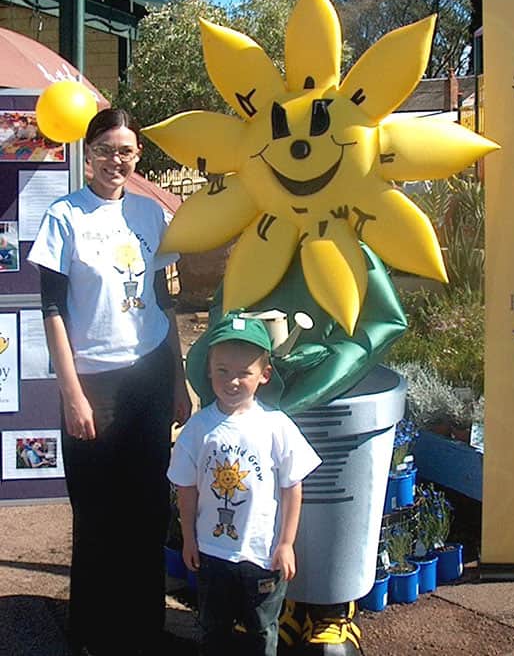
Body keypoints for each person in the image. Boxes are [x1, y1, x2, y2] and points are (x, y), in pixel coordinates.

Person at [27, 108, 191, 656]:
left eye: (127, 151)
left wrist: (179, 380)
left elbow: (163, 303)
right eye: (106, 150)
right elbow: (51, 307)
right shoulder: (64, 217)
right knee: (97, 516)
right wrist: (70, 391)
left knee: (146, 510)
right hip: (93, 383)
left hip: (148, 375)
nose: (116, 160)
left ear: (137, 157)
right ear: (88, 153)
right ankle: (93, 634)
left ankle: (144, 629)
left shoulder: (150, 214)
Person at [167, 311, 321, 656]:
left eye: (243, 373)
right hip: (211, 553)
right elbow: (185, 488)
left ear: (264, 375)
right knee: (212, 629)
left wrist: (286, 543)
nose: (232, 381)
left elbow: (292, 486)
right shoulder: (198, 429)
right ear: (209, 370)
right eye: (222, 371)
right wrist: (189, 537)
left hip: (262, 556)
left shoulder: (276, 426)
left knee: (261, 629)